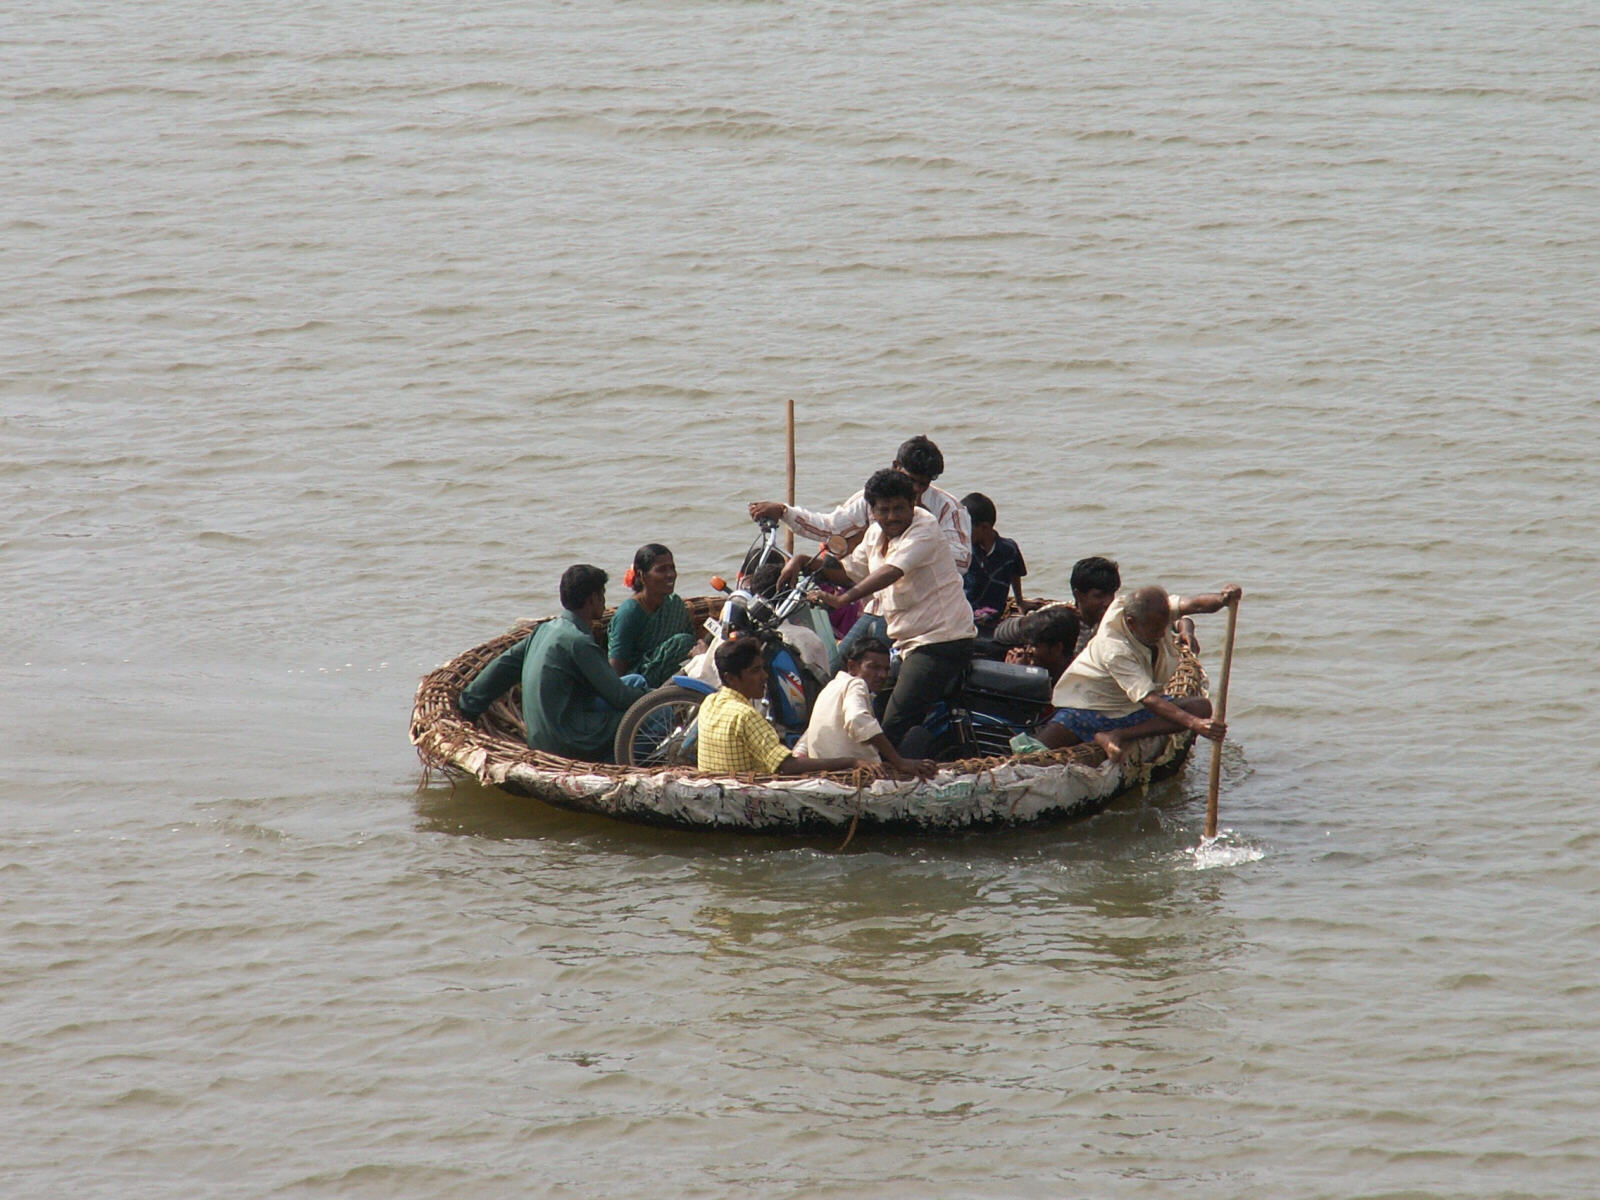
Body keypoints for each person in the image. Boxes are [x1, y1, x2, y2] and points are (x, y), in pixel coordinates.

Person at [747, 434, 972, 660]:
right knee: (837, 667)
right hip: (877, 605)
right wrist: (786, 513)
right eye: (911, 481)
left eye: (923, 485)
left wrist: (915, 547)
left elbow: (961, 561)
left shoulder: (943, 512)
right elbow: (831, 531)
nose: (916, 490)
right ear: (896, 467)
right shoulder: (872, 500)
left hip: (926, 616)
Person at [808, 469, 978, 746]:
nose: (891, 517)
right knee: (870, 712)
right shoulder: (875, 534)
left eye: (899, 508)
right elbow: (850, 571)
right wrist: (804, 562)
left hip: (941, 641)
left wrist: (842, 600)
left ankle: (889, 778)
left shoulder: (925, 528)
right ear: (872, 511)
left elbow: (890, 571)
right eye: (883, 510)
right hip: (904, 642)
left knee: (892, 726)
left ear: (913, 504)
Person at [458, 564, 648, 762]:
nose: (604, 601)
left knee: (635, 681)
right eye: (602, 595)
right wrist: (655, 697)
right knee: (657, 714)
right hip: (568, 741)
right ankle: (617, 762)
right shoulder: (579, 642)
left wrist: (468, 704)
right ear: (592, 599)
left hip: (539, 738)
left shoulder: (545, 630)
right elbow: (620, 697)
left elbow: (502, 668)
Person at [1037, 583, 1242, 763]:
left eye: (1163, 628)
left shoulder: (1152, 609)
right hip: (1090, 705)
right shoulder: (1115, 647)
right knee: (1039, 752)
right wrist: (1195, 724)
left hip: (1130, 708)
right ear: (1132, 622)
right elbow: (1149, 700)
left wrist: (1223, 598)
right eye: (1155, 630)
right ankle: (1105, 736)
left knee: (1201, 707)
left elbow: (1196, 605)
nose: (1162, 634)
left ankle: (1119, 734)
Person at [696, 637, 878, 777]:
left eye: (762, 669)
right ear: (731, 679)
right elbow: (789, 766)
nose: (765, 676)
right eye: (755, 671)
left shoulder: (710, 701)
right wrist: (850, 761)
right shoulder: (745, 715)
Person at [796, 639, 936, 780]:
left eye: (886, 669)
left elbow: (806, 738)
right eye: (874, 667)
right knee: (918, 734)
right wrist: (899, 761)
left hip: (829, 774)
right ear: (852, 667)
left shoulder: (830, 688)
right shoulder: (856, 683)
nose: (882, 675)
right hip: (854, 774)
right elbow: (857, 719)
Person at [606, 543, 698, 687]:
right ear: (642, 575)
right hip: (638, 685)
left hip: (673, 678)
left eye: (672, 568)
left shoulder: (674, 604)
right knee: (681, 642)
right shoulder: (629, 612)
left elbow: (692, 643)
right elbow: (617, 670)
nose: (670, 575)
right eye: (661, 570)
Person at [959, 492, 1028, 631]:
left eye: (966, 527)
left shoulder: (1009, 549)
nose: (961, 531)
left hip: (994, 616)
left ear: (984, 527)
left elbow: (1016, 573)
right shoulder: (962, 551)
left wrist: (1020, 601)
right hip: (965, 618)